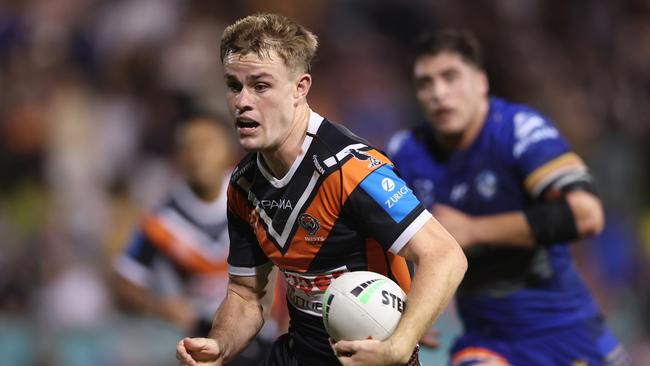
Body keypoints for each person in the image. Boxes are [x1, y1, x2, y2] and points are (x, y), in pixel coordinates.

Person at [175, 13, 467, 366]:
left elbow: (445, 255)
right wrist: (220, 345)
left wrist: (400, 345)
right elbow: (246, 294)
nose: (242, 101)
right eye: (234, 85)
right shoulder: (243, 184)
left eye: (260, 85)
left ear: (301, 87)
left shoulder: (351, 170)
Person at [387, 29, 632, 366]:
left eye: (450, 77)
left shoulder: (519, 130)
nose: (438, 93)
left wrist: (474, 230)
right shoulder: (406, 152)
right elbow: (381, 232)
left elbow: (587, 214)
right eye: (425, 83)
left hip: (565, 329)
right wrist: (408, 304)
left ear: (481, 83)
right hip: (487, 340)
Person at [114, 117, 281, 365]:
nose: (198, 154)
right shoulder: (163, 221)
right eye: (190, 146)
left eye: (208, 144)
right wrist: (160, 307)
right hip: (205, 342)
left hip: (265, 335)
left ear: (228, 150)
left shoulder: (259, 201)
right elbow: (124, 281)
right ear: (179, 156)